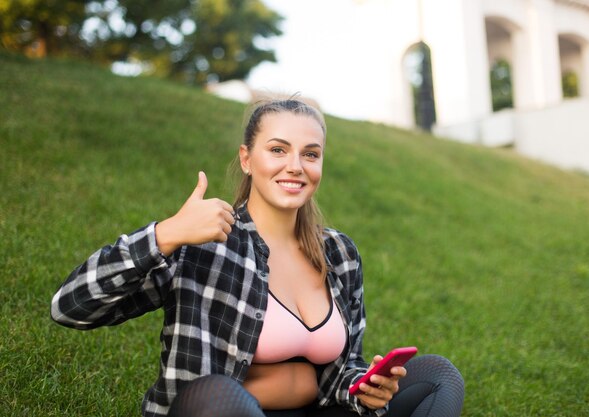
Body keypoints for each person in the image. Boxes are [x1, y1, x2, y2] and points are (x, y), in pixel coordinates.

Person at [51, 98, 464, 417]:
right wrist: (165, 234)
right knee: (218, 397)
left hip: (319, 411)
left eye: (310, 154)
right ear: (247, 159)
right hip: (223, 411)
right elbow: (71, 307)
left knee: (438, 378)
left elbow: (342, 368)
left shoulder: (339, 252)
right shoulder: (204, 242)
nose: (295, 166)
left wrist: (365, 386)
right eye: (278, 149)